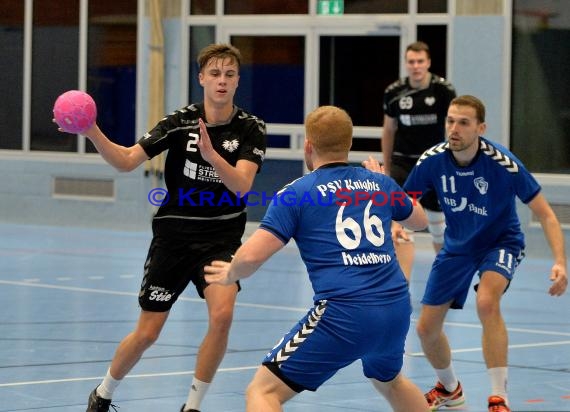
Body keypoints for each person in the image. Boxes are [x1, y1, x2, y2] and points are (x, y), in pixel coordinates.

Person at [70, 44, 267, 412]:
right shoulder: (179, 123)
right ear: (201, 79)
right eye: (214, 74)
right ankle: (104, 393)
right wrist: (93, 130)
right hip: (173, 240)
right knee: (148, 333)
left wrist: (212, 157)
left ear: (237, 81)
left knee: (222, 316)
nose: (221, 81)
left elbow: (242, 185)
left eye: (228, 75)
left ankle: (192, 406)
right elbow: (128, 161)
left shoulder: (251, 128)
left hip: (220, 240)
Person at [204, 105, 430, 412]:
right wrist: (386, 189)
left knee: (263, 391)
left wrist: (231, 272)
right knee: (390, 382)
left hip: (344, 314)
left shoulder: (297, 193)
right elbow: (419, 221)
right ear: (349, 144)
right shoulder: (379, 183)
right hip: (395, 310)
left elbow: (253, 255)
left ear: (308, 146)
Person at [369, 95, 568, 412]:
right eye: (450, 121)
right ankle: (449, 388)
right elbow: (408, 200)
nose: (454, 129)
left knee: (487, 302)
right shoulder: (433, 159)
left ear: (480, 127)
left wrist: (560, 261)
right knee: (426, 329)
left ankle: (498, 398)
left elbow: (545, 214)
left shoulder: (503, 163)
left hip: (500, 242)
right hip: (457, 246)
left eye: (463, 122)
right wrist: (395, 221)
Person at [382, 41, 457, 280]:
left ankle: (445, 279)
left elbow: (453, 126)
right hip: (403, 164)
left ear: (428, 63)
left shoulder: (443, 90)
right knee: (402, 224)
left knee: (438, 227)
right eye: (411, 62)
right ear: (406, 63)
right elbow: (388, 130)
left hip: (434, 164)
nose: (416, 66)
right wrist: (387, 167)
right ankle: (402, 285)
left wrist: (451, 161)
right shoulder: (394, 93)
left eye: (420, 61)